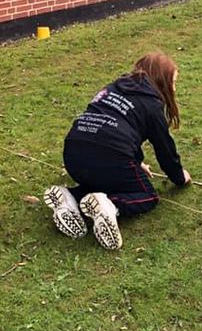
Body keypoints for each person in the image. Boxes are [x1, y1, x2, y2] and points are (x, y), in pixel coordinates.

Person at [44, 52, 191, 250]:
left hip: (73, 154)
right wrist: (179, 177)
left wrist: (136, 164)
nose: (174, 88)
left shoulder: (111, 88)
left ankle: (69, 197)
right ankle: (110, 206)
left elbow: (115, 125)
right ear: (161, 80)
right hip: (111, 158)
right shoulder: (152, 104)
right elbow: (164, 148)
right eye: (172, 82)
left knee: (104, 178)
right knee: (147, 195)